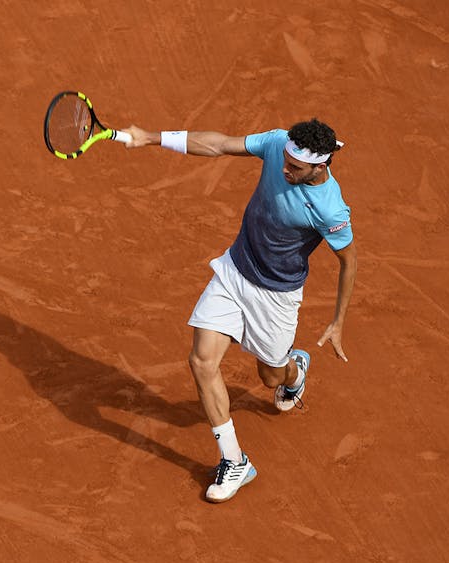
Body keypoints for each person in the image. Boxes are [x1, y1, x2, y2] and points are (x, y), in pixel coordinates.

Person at [122, 119, 357, 503]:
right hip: (235, 271)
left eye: (295, 168)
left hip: (277, 297)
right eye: (285, 160)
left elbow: (349, 262)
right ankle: (234, 460)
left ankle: (294, 371)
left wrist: (338, 321)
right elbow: (218, 144)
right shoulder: (279, 144)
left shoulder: (330, 210)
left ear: (321, 166)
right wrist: (149, 137)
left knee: (270, 377)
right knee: (201, 361)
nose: (285, 169)